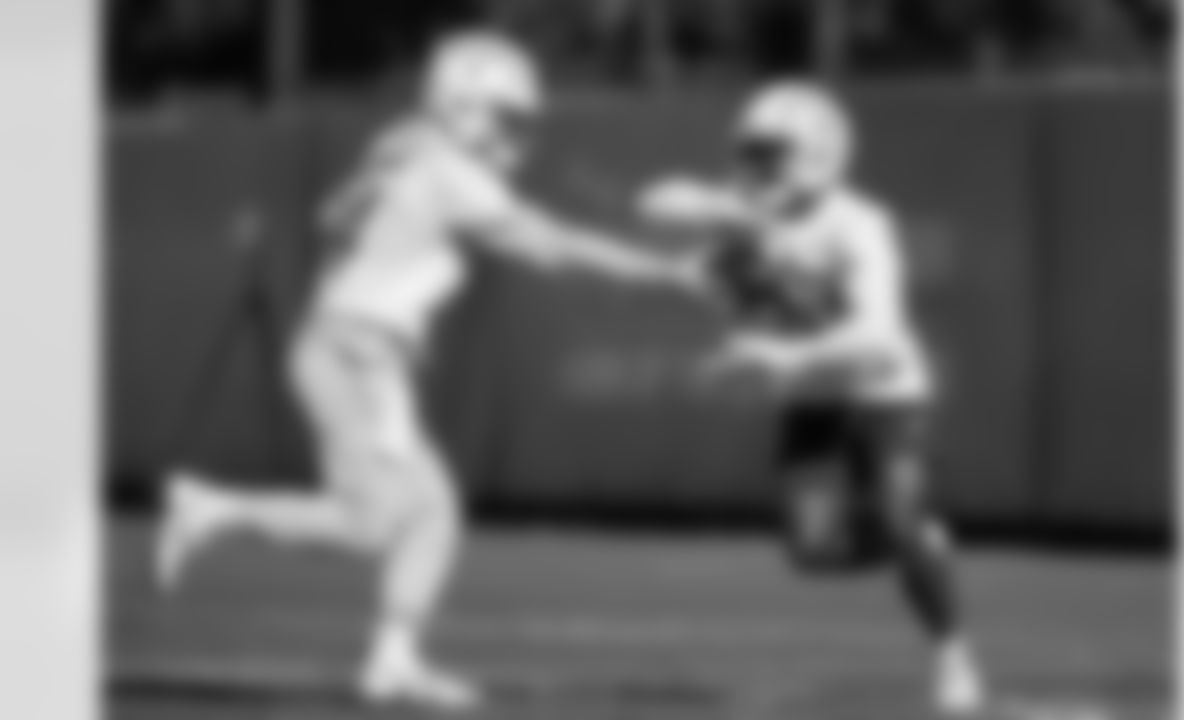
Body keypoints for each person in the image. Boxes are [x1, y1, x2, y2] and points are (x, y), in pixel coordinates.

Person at [155, 29, 699, 712]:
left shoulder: (406, 146)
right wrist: (668, 273)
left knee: (431, 512)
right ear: (460, 105)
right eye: (505, 117)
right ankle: (211, 510)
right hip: (355, 353)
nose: (515, 135)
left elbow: (329, 218)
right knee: (375, 523)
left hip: (355, 350)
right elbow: (557, 248)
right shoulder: (449, 172)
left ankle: (392, 660)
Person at [637, 80, 990, 716]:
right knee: (813, 550)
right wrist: (720, 225)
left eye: (771, 154)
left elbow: (879, 337)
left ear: (821, 155)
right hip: (811, 402)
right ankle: (919, 542)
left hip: (884, 393)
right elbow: (652, 204)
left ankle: (952, 651)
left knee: (900, 517)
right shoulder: (745, 224)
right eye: (751, 153)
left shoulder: (859, 224)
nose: (756, 169)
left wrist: (782, 356)